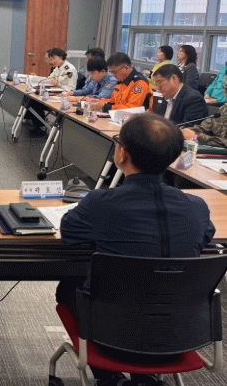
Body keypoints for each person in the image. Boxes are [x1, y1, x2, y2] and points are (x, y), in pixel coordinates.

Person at [58, 113, 215, 386]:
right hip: (181, 337)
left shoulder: (100, 203)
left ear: (122, 154)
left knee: (68, 285)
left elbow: (69, 232)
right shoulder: (197, 207)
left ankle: (110, 378)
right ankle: (144, 379)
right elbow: (204, 239)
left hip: (111, 339)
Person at [182, 76, 227, 147]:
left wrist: (195, 136)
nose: (224, 91)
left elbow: (224, 143)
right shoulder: (224, 109)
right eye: (225, 87)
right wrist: (183, 132)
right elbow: (203, 128)